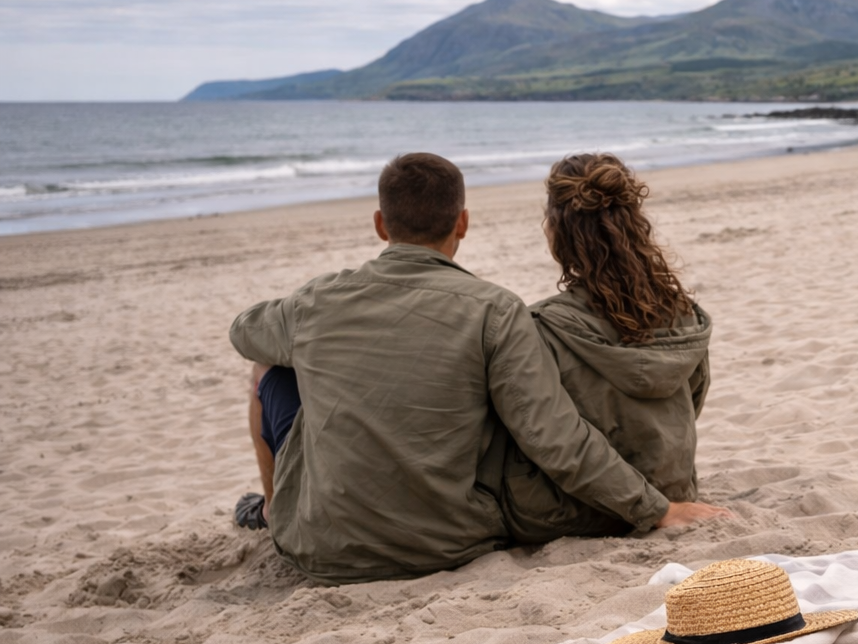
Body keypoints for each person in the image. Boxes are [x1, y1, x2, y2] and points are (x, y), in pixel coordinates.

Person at [230, 152, 726, 584]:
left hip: (321, 548)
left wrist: (322, 320)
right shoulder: (500, 310)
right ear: (461, 223)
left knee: (269, 371)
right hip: (457, 540)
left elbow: (243, 330)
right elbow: (678, 403)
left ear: (381, 225)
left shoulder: (319, 300)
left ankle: (276, 508)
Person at [500, 153, 714, 543]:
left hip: (587, 513)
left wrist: (651, 508)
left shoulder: (542, 326)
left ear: (557, 233)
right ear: (634, 224)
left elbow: (557, 444)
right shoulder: (685, 313)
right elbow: (692, 402)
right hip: (676, 490)